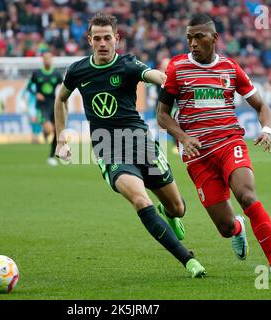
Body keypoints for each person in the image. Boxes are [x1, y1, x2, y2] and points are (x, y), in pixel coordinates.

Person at [54, 12, 206, 278]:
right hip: (108, 148)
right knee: (139, 199)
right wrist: (61, 138)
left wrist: (168, 80)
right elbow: (60, 100)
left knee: (178, 208)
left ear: (117, 39)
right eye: (97, 38)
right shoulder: (78, 71)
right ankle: (188, 260)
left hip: (140, 142)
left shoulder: (128, 65)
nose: (103, 43)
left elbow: (153, 75)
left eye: (107, 38)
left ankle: (170, 214)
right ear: (89, 40)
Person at [157, 14, 271, 283]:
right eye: (189, 37)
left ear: (215, 38)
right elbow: (162, 115)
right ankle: (238, 227)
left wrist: (266, 129)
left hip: (230, 142)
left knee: (247, 196)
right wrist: (183, 138)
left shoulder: (230, 68)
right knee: (225, 227)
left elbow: (262, 107)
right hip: (198, 156)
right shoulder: (177, 68)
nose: (192, 43)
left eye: (199, 37)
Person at [27, 52, 63, 165]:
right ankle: (45, 131)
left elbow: (63, 87)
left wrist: (62, 98)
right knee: (49, 129)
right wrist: (36, 93)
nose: (47, 60)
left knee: (57, 131)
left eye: (49, 59)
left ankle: (51, 156)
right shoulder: (37, 73)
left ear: (52, 60)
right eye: (45, 59)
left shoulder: (57, 74)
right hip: (42, 105)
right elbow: (29, 87)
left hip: (53, 104)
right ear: (43, 60)